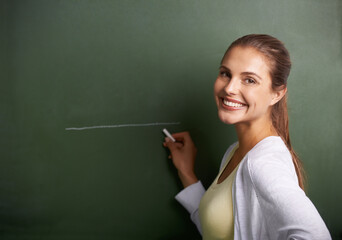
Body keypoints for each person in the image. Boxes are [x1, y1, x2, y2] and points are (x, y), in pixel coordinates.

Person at [163, 34, 331, 240]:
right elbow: (216, 229)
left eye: (249, 80)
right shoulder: (236, 151)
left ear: (276, 94)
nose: (229, 88)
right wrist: (186, 173)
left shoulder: (262, 163)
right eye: (225, 74)